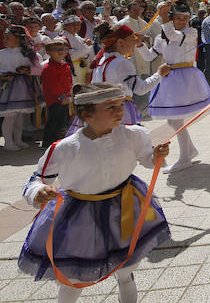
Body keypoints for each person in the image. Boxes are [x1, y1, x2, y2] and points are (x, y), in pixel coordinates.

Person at [18, 83, 171, 303]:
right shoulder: (65, 148)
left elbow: (148, 159)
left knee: (126, 266)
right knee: (74, 277)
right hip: (81, 216)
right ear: (88, 114)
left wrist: (156, 155)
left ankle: (125, 285)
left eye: (121, 105)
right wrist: (38, 191)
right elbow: (37, 179)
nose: (120, 111)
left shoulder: (133, 135)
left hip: (125, 206)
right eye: (111, 107)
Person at [139, 2, 210, 173]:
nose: (183, 21)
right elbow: (149, 57)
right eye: (178, 18)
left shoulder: (190, 32)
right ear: (172, 18)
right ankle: (190, 151)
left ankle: (185, 158)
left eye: (186, 18)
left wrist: (163, 14)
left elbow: (173, 34)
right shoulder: (160, 37)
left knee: (176, 121)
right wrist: (139, 44)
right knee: (174, 120)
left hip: (184, 77)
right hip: (169, 77)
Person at [87, 22, 169, 132]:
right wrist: (159, 74)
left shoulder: (101, 61)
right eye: (131, 40)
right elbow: (141, 89)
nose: (134, 44)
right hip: (120, 110)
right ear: (120, 42)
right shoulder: (121, 63)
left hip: (103, 110)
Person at [0, 25, 43, 150]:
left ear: (19, 39)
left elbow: (39, 69)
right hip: (7, 88)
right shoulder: (2, 54)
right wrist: (2, 76)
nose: (5, 40)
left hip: (23, 87)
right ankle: (8, 142)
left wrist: (28, 69)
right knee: (10, 115)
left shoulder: (29, 54)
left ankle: (18, 140)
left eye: (9, 37)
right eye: (5, 37)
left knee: (19, 115)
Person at [60, 11, 93, 85]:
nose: (76, 27)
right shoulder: (62, 39)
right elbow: (68, 57)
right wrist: (86, 46)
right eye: (73, 25)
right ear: (65, 26)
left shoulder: (77, 37)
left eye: (78, 24)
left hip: (81, 69)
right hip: (71, 70)